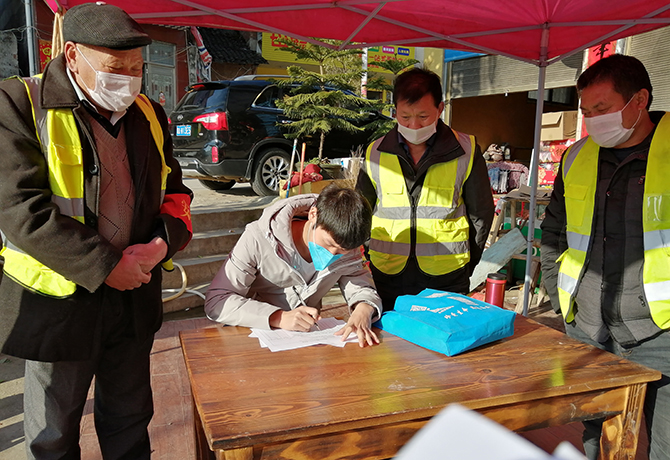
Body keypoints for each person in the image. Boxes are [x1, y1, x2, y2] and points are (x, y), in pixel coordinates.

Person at [0, 3, 193, 459]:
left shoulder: (148, 112)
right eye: (114, 67)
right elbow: (19, 209)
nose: (127, 79)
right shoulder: (19, 103)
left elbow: (176, 192)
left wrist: (162, 244)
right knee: (52, 434)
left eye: (136, 68)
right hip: (60, 301)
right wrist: (107, 266)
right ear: (72, 55)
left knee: (130, 421)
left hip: (133, 301)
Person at [541, 54, 670, 460]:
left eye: (603, 108)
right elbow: (553, 230)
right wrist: (557, 292)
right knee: (596, 435)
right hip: (590, 327)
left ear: (639, 100)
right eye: (586, 111)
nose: (593, 120)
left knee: (665, 442)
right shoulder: (577, 157)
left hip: (661, 331)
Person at [357, 68, 494, 311]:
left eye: (423, 116)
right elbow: (361, 212)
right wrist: (371, 256)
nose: (414, 125)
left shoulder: (467, 150)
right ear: (395, 110)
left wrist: (466, 265)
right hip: (387, 274)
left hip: (447, 277)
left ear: (440, 109)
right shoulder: (374, 153)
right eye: (405, 116)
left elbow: (480, 214)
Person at [205, 184, 382, 347]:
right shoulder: (258, 238)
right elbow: (217, 301)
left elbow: (360, 287)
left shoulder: (348, 243)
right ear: (313, 215)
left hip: (309, 341)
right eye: (328, 244)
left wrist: (363, 309)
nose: (332, 254)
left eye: (342, 251)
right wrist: (278, 317)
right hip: (253, 340)